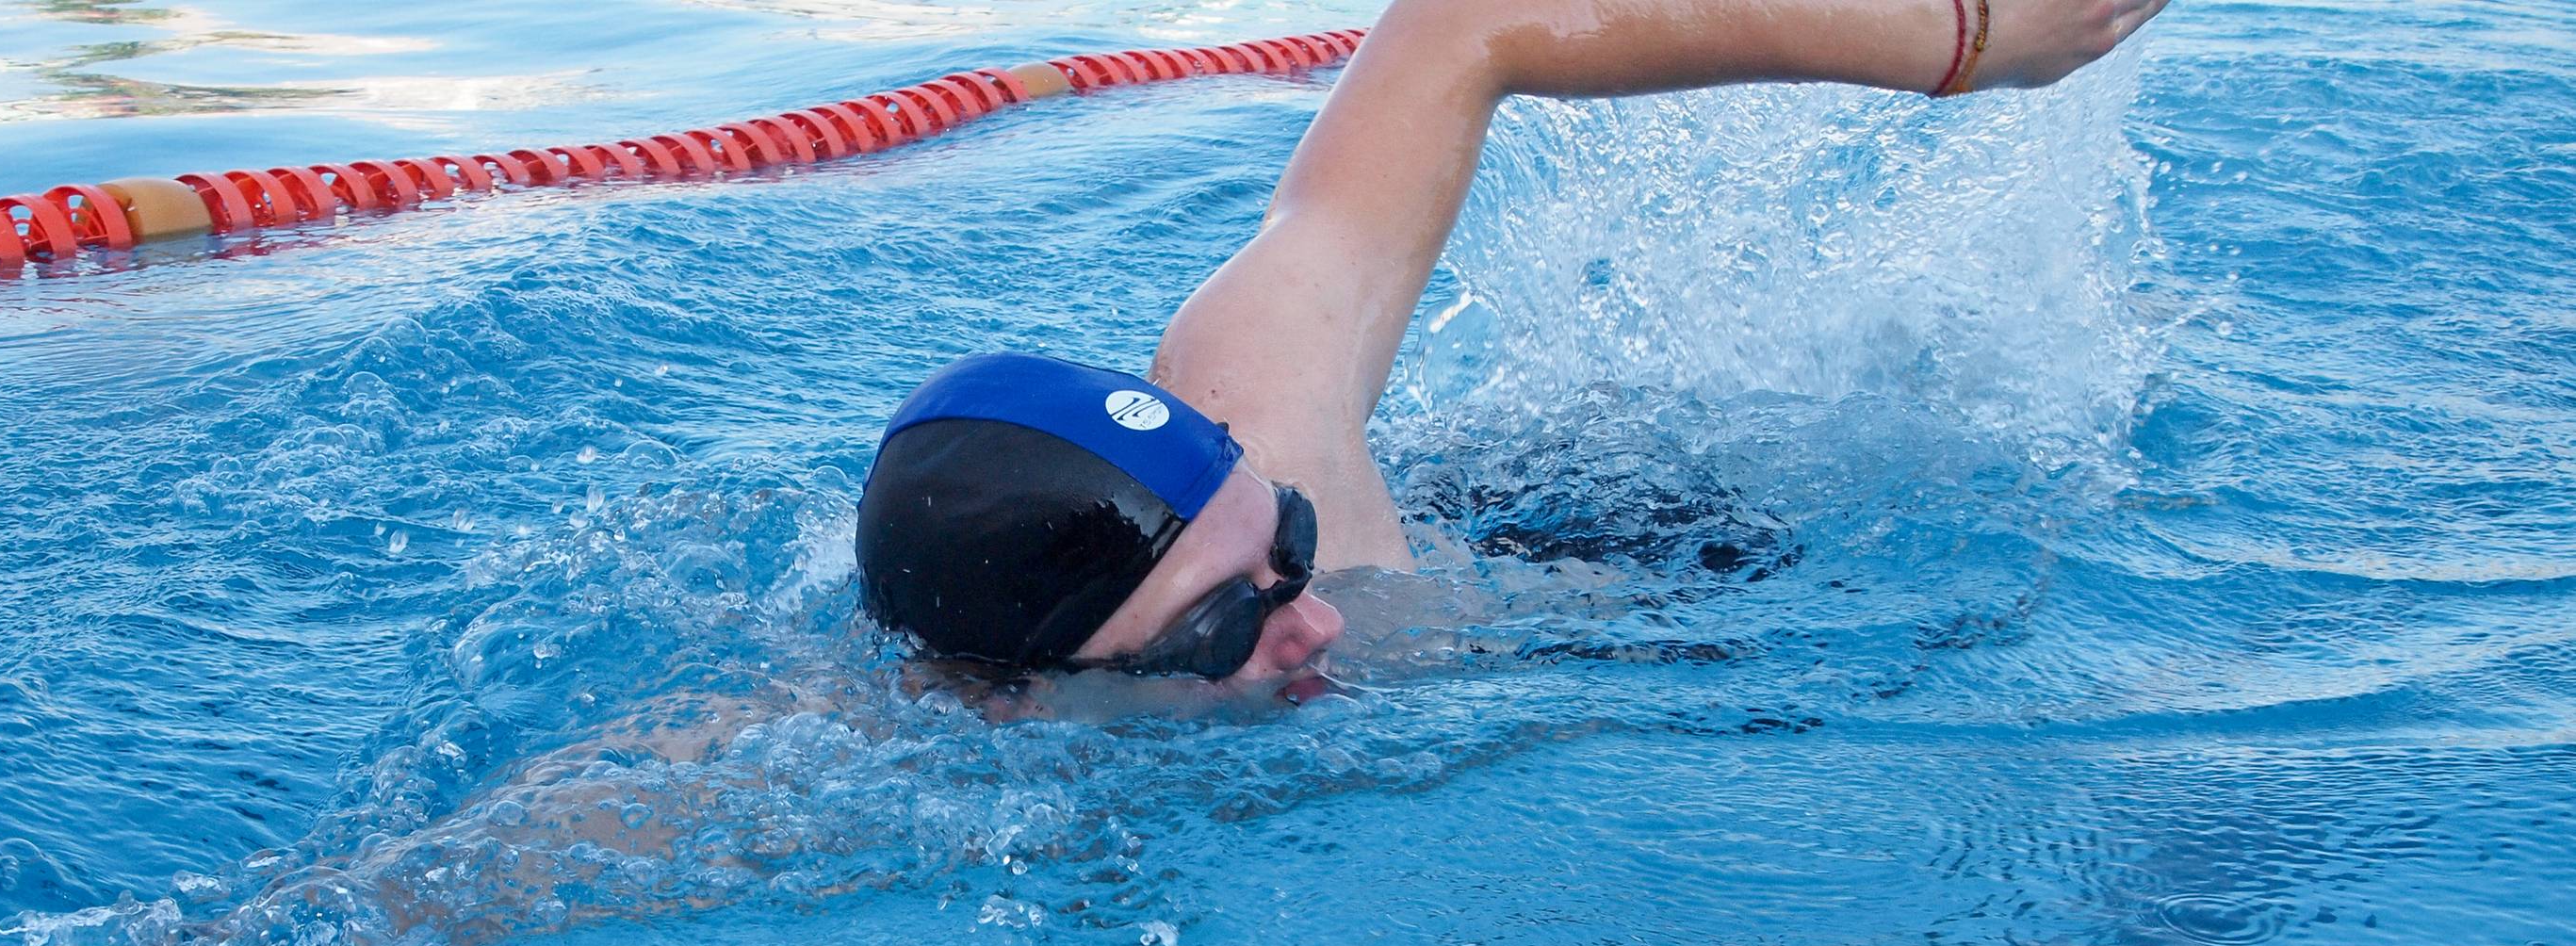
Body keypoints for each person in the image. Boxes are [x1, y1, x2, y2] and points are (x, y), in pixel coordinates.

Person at [855, 0, 2172, 705]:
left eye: (1290, 546)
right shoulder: (937, 744)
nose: (1315, 621)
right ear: (1008, 702)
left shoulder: (1253, 404)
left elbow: (1458, 25)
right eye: (1217, 632)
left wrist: (1959, 40)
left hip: (1627, 540)